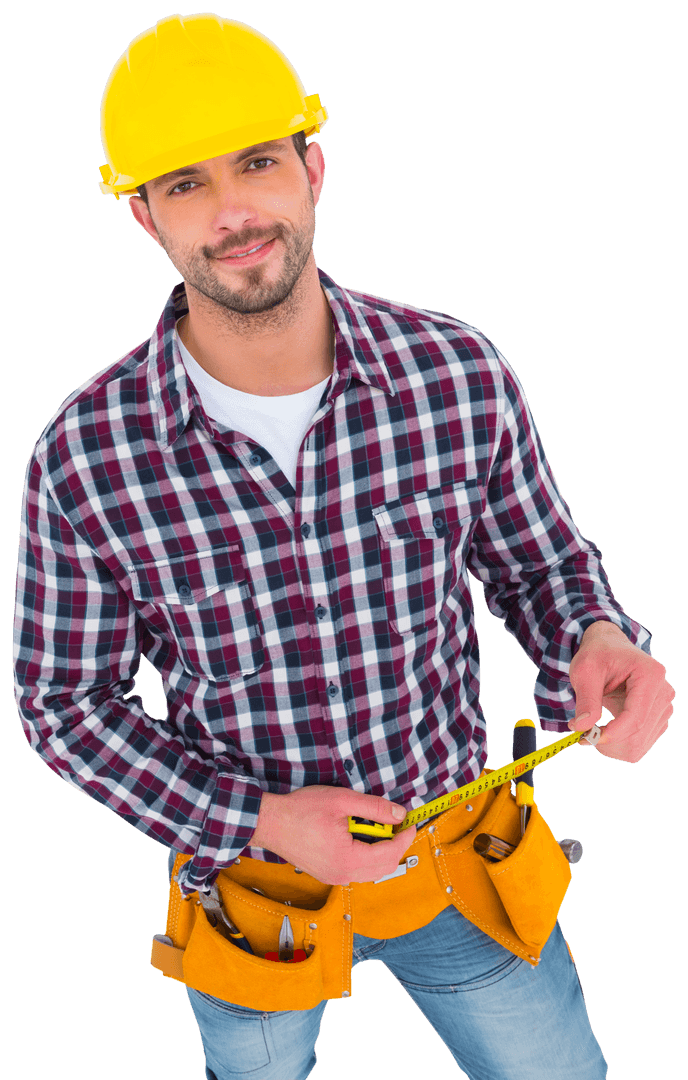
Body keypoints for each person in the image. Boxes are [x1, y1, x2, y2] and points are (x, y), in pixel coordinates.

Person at [13, 13, 674, 1080]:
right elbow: (65, 705)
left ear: (312, 169)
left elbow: (542, 568)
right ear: (144, 215)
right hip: (254, 901)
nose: (233, 212)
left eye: (257, 162)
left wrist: (595, 637)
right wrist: (263, 819)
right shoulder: (86, 457)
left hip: (459, 869)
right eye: (184, 183)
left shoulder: (455, 374)